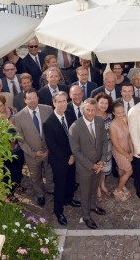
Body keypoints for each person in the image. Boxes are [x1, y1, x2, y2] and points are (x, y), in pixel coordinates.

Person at [68, 98, 109, 230]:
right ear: (82, 110)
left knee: (94, 187)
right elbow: (76, 151)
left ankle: (93, 205)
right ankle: (86, 216)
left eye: (93, 110)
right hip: (85, 167)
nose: (90, 113)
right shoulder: (75, 127)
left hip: (99, 164)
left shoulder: (99, 121)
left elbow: (103, 141)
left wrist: (102, 159)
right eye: (88, 110)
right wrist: (91, 165)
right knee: (85, 192)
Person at [43, 92, 80, 226]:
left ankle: (69, 199)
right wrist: (66, 158)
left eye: (64, 101)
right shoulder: (48, 123)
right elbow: (52, 146)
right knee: (60, 186)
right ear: (54, 103)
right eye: (59, 101)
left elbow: (74, 135)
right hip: (59, 160)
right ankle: (58, 211)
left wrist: (74, 155)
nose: (63, 104)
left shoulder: (70, 114)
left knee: (71, 180)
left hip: (72, 156)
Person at [14, 88, 54, 207]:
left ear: (38, 98)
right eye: (29, 98)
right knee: (35, 176)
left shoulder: (48, 109)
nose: (32, 101)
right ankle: (40, 194)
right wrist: (33, 153)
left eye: (34, 98)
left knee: (50, 172)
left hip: (48, 151)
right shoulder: (19, 117)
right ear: (25, 100)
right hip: (32, 154)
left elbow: (53, 130)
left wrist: (50, 148)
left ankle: (51, 189)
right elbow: (20, 139)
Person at [0, 95, 24, 203]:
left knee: (19, 168)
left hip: (18, 146)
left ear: (5, 104)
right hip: (5, 151)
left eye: (0, 105)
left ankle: (17, 185)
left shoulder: (13, 110)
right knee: (9, 173)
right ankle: (9, 194)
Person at [110, 101, 134, 201]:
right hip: (119, 152)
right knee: (129, 171)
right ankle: (118, 190)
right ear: (113, 113)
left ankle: (122, 183)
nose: (121, 114)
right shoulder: (112, 126)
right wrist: (127, 155)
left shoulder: (125, 119)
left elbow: (129, 137)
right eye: (118, 113)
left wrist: (132, 151)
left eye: (123, 112)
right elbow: (116, 145)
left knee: (121, 168)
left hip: (127, 149)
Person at [94, 92, 114, 202]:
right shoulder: (92, 115)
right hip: (96, 148)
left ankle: (103, 185)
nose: (104, 105)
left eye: (106, 103)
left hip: (108, 148)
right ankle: (97, 189)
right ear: (97, 103)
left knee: (104, 169)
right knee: (98, 169)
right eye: (101, 103)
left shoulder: (110, 116)